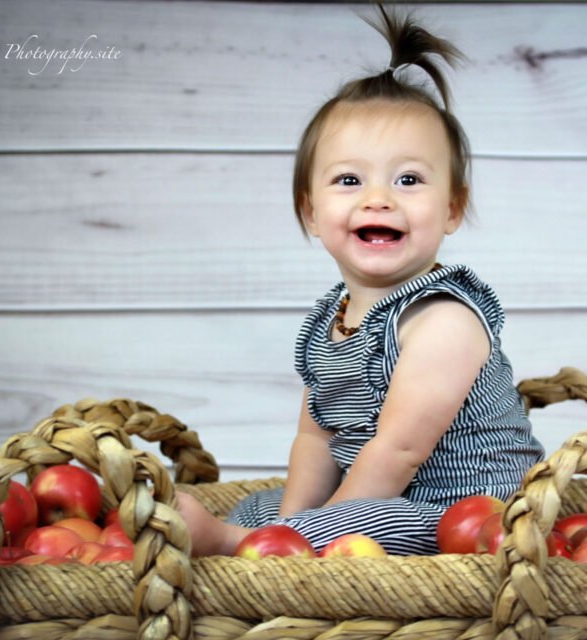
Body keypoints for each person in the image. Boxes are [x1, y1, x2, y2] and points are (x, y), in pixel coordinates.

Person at [176, 5, 544, 557]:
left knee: (378, 520)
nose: (379, 198)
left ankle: (234, 546)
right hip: (379, 495)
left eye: (409, 179)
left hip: (468, 513)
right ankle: (256, 538)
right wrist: (289, 524)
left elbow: (397, 453)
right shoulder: (332, 320)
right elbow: (316, 437)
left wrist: (300, 536)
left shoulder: (444, 319)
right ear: (310, 211)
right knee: (261, 505)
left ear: (451, 209)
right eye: (349, 179)